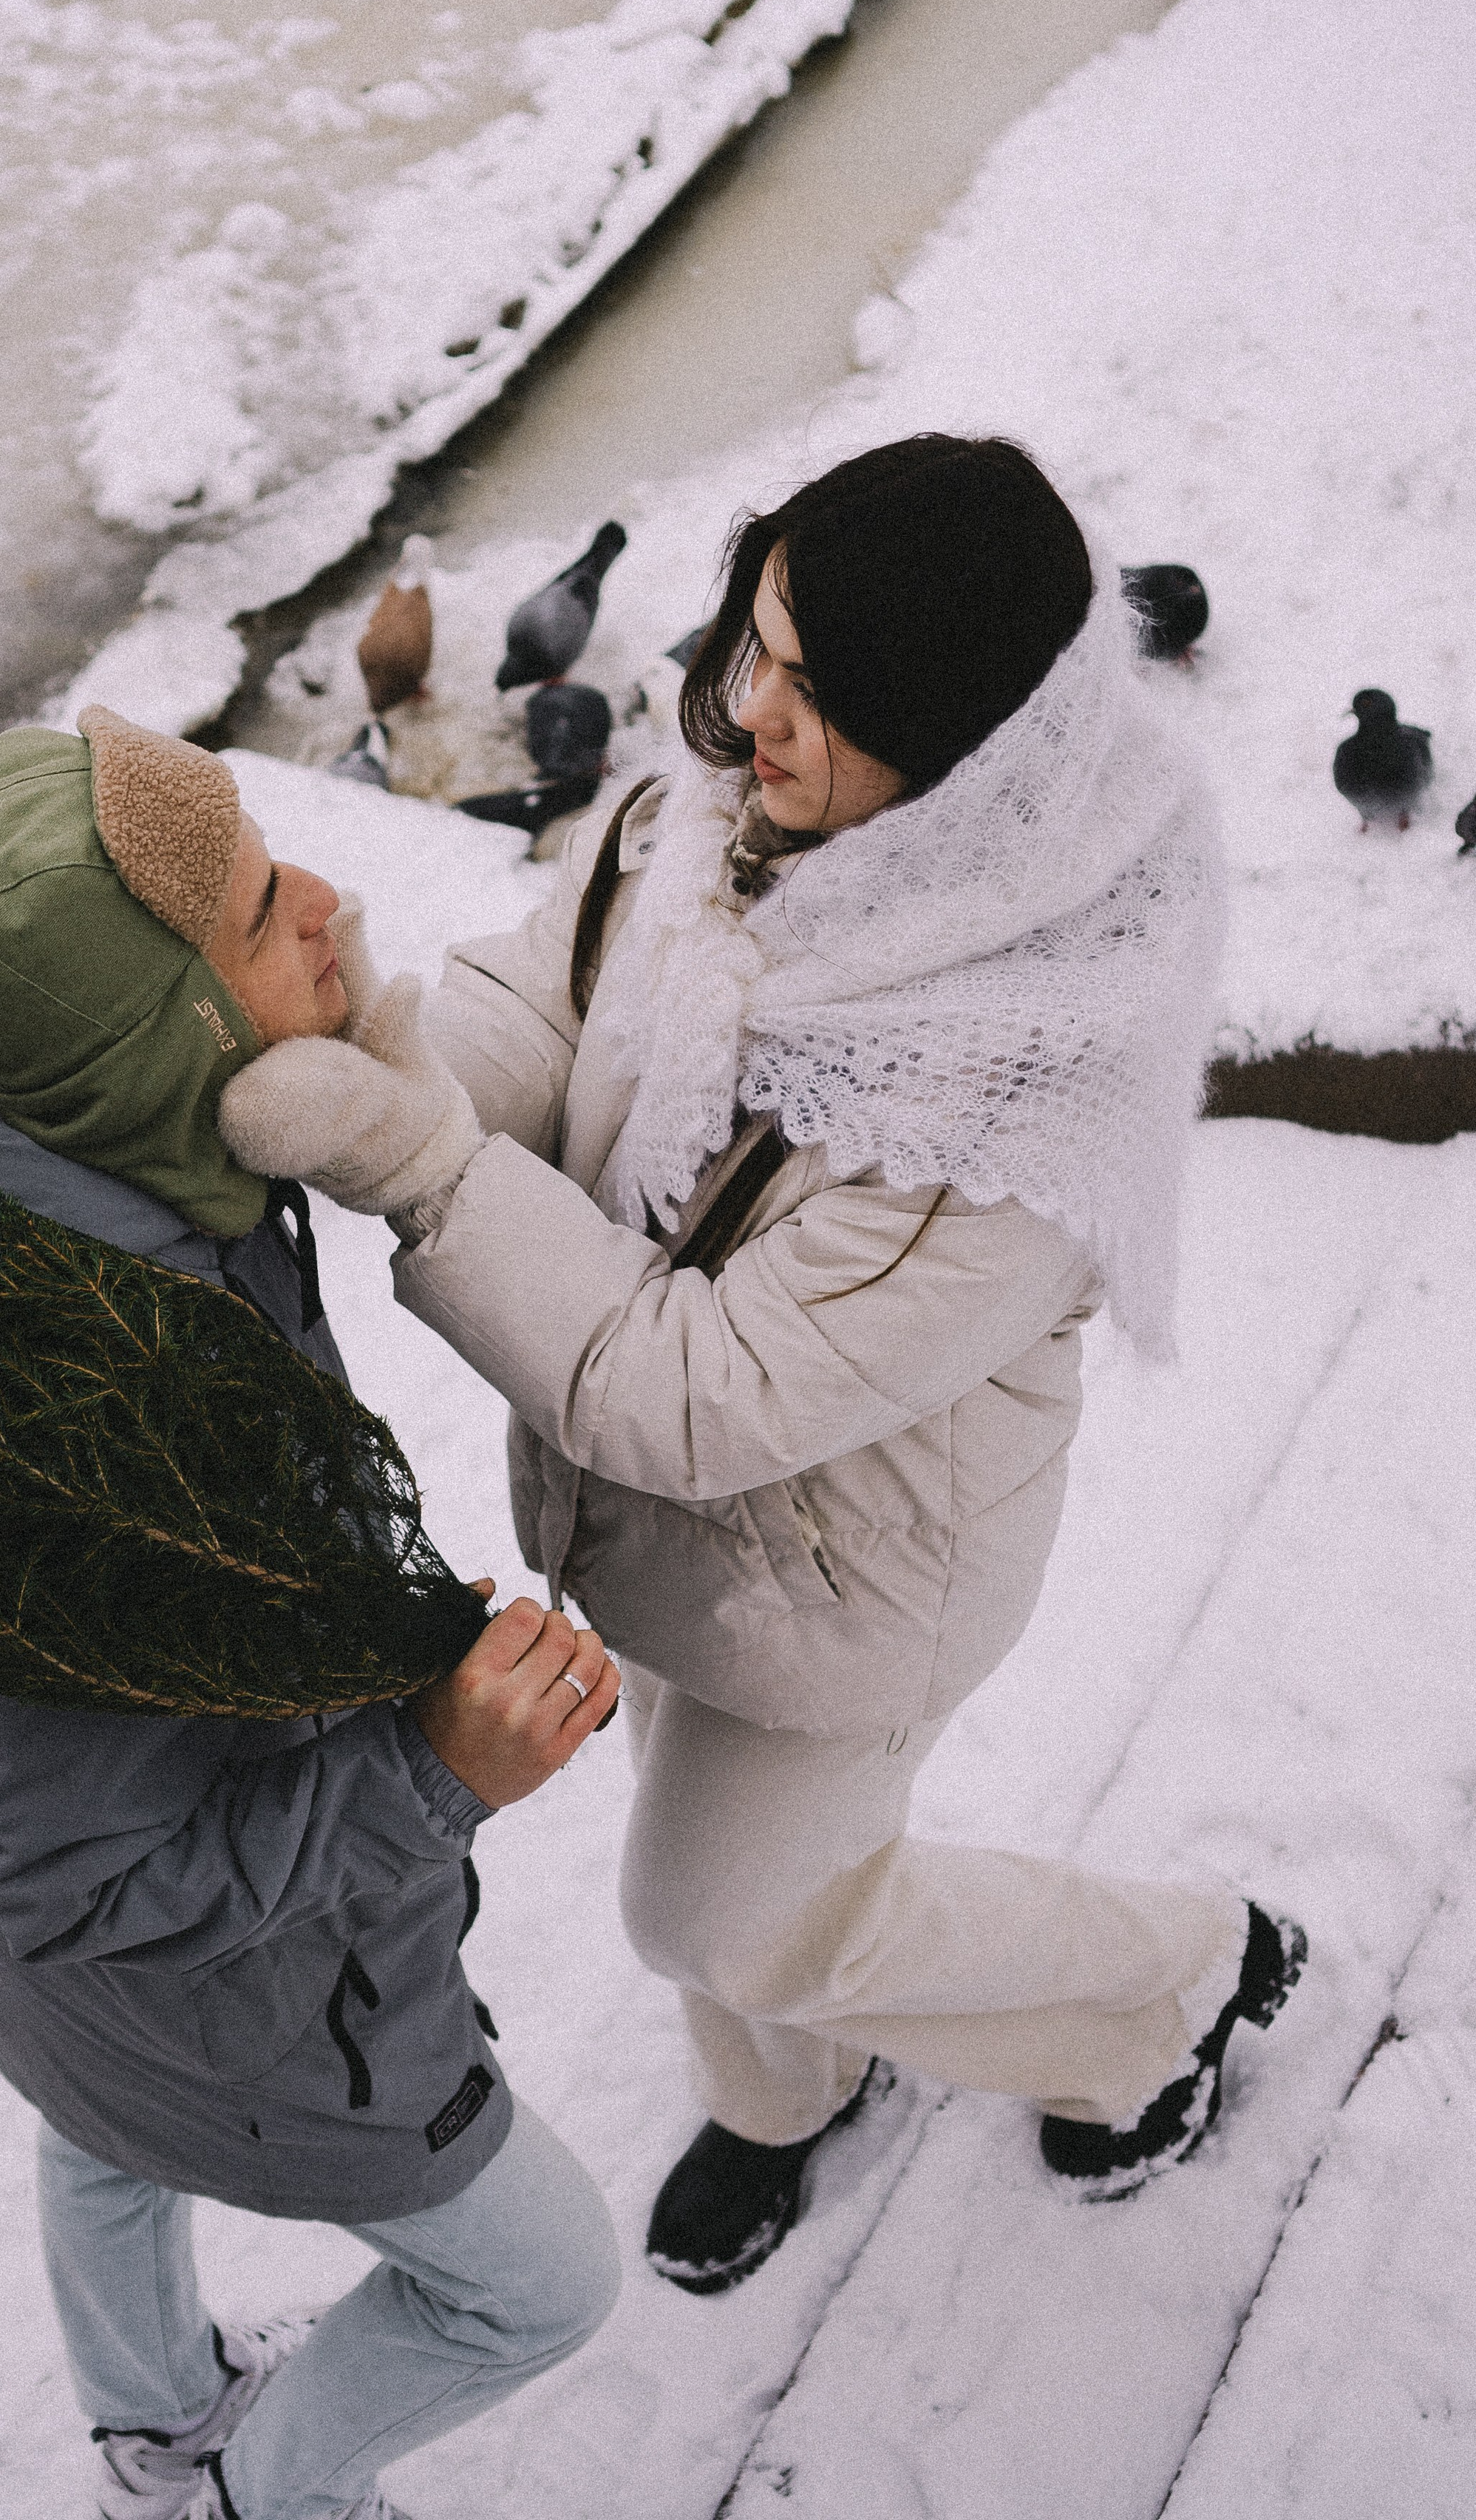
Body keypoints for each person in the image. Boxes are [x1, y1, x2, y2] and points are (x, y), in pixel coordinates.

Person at [218, 433, 1306, 2297]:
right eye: (761, 644)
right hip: (657, 1524)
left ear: (963, 756)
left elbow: (703, 1391)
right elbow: (546, 998)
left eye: (816, 691)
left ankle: (1167, 1984)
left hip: (847, 1579)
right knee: (733, 1876)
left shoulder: (1004, 1081)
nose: (745, 711)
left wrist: (407, 1163)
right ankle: (789, 2092)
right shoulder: (729, 813)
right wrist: (395, 1060)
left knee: (715, 1903)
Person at [0, 704, 620, 2520]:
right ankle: (248, 2496)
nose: (336, 903)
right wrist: (432, 1775)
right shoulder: (100, 1426)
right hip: (230, 2005)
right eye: (272, 912)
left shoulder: (75, 1191)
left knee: (98, 2131)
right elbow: (86, 1887)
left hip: (70, 2016)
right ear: (170, 1036)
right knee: (535, 2282)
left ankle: (145, 2421)